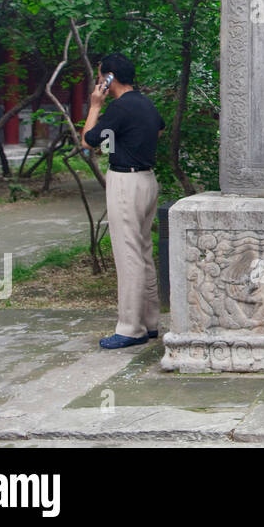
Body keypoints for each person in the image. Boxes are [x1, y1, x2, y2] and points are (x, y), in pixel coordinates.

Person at [82, 54, 165, 350]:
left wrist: (95, 105)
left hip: (125, 183)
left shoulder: (119, 107)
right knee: (142, 250)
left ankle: (130, 328)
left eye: (100, 76)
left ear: (109, 78)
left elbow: (88, 141)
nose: (97, 81)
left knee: (128, 254)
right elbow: (158, 130)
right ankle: (150, 321)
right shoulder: (145, 103)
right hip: (147, 179)